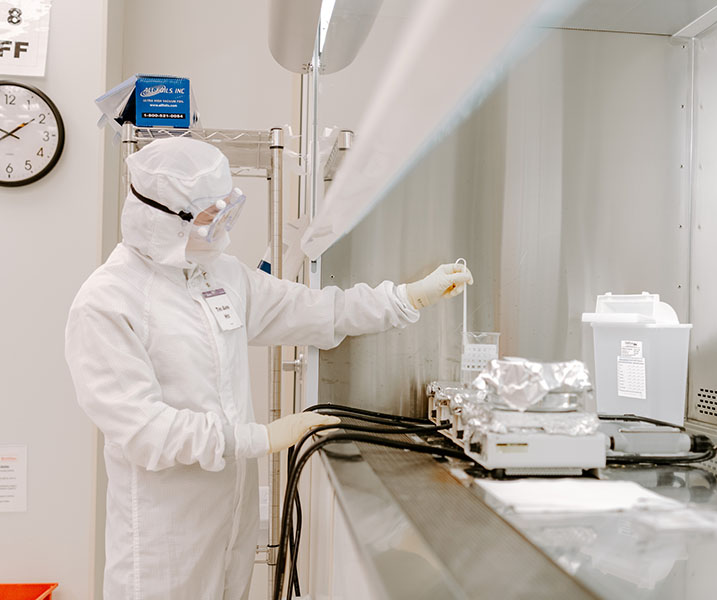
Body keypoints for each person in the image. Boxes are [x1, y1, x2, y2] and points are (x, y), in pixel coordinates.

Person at [64, 137, 473, 600]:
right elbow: (145, 431)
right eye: (209, 217)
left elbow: (317, 311)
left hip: (230, 520)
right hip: (166, 537)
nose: (221, 230)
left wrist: (407, 297)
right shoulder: (107, 303)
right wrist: (260, 438)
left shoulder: (220, 275)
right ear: (161, 218)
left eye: (227, 211)